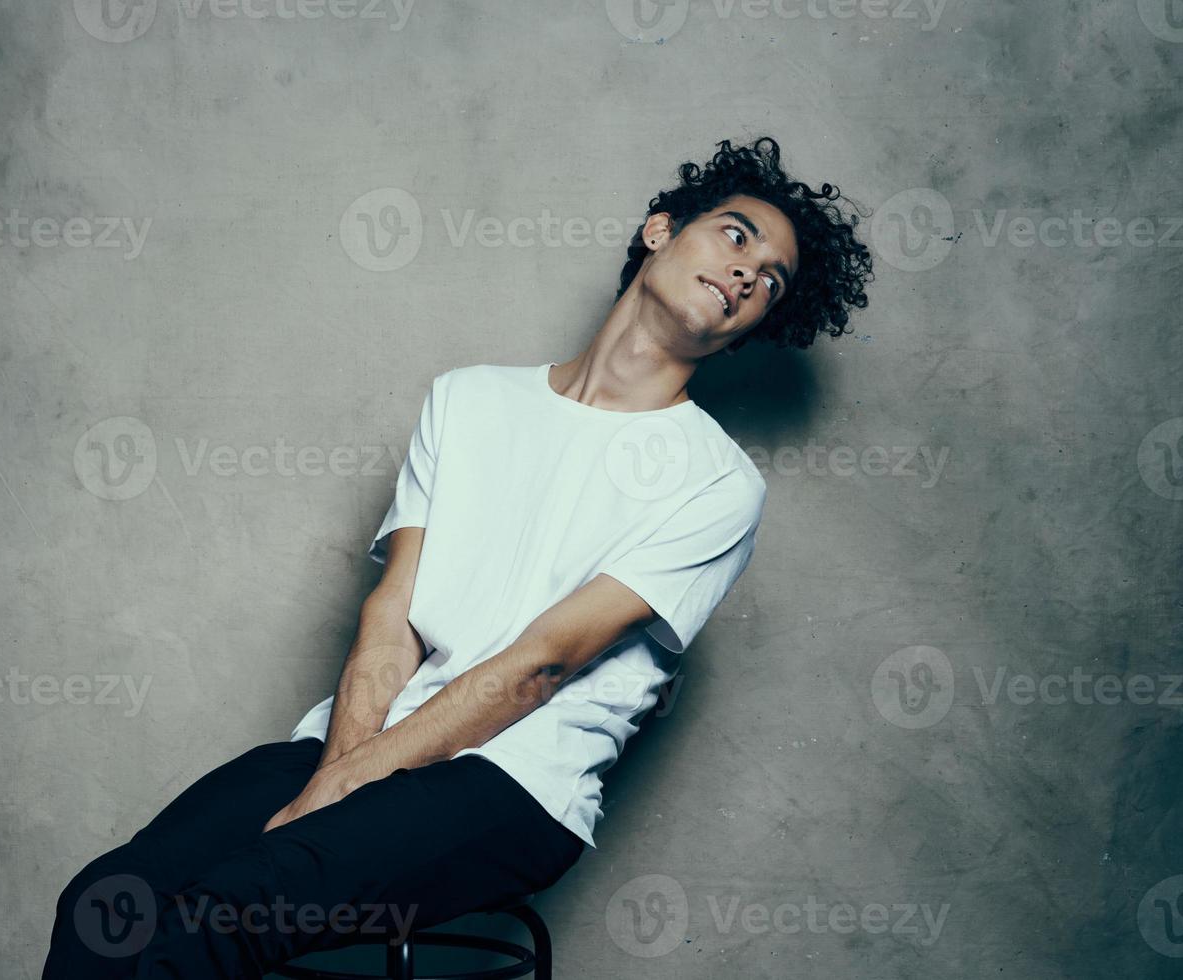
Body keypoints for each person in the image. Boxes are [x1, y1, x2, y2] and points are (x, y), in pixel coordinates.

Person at [42, 135, 874, 979]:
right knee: (110, 902)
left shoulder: (718, 484)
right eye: (737, 237)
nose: (747, 274)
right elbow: (391, 615)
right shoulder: (469, 399)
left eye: (770, 280)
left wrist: (344, 790)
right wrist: (342, 766)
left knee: (226, 914)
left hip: (513, 784)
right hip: (362, 737)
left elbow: (542, 665)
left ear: (756, 325)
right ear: (661, 230)